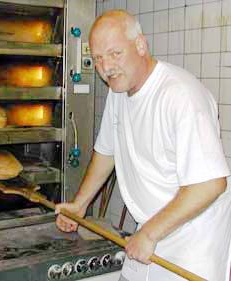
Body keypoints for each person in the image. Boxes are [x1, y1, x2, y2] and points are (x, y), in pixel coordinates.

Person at [55, 9, 231, 281]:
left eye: (115, 54)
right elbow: (106, 153)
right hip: (148, 231)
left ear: (140, 45)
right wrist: (80, 205)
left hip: (191, 243)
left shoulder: (180, 96)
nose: (106, 68)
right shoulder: (120, 91)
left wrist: (149, 233)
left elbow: (210, 184)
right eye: (98, 58)